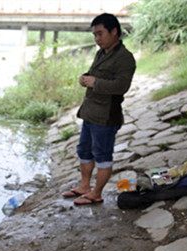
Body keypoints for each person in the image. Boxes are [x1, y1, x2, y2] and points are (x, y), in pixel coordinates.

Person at [62, 13, 136, 205]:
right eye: (94, 35)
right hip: (90, 112)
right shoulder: (101, 53)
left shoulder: (125, 58)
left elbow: (121, 86)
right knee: (84, 151)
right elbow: (97, 75)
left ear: (114, 32)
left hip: (106, 116)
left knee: (102, 155)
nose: (97, 39)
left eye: (100, 34)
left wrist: (95, 82)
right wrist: (86, 78)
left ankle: (96, 193)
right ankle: (84, 186)